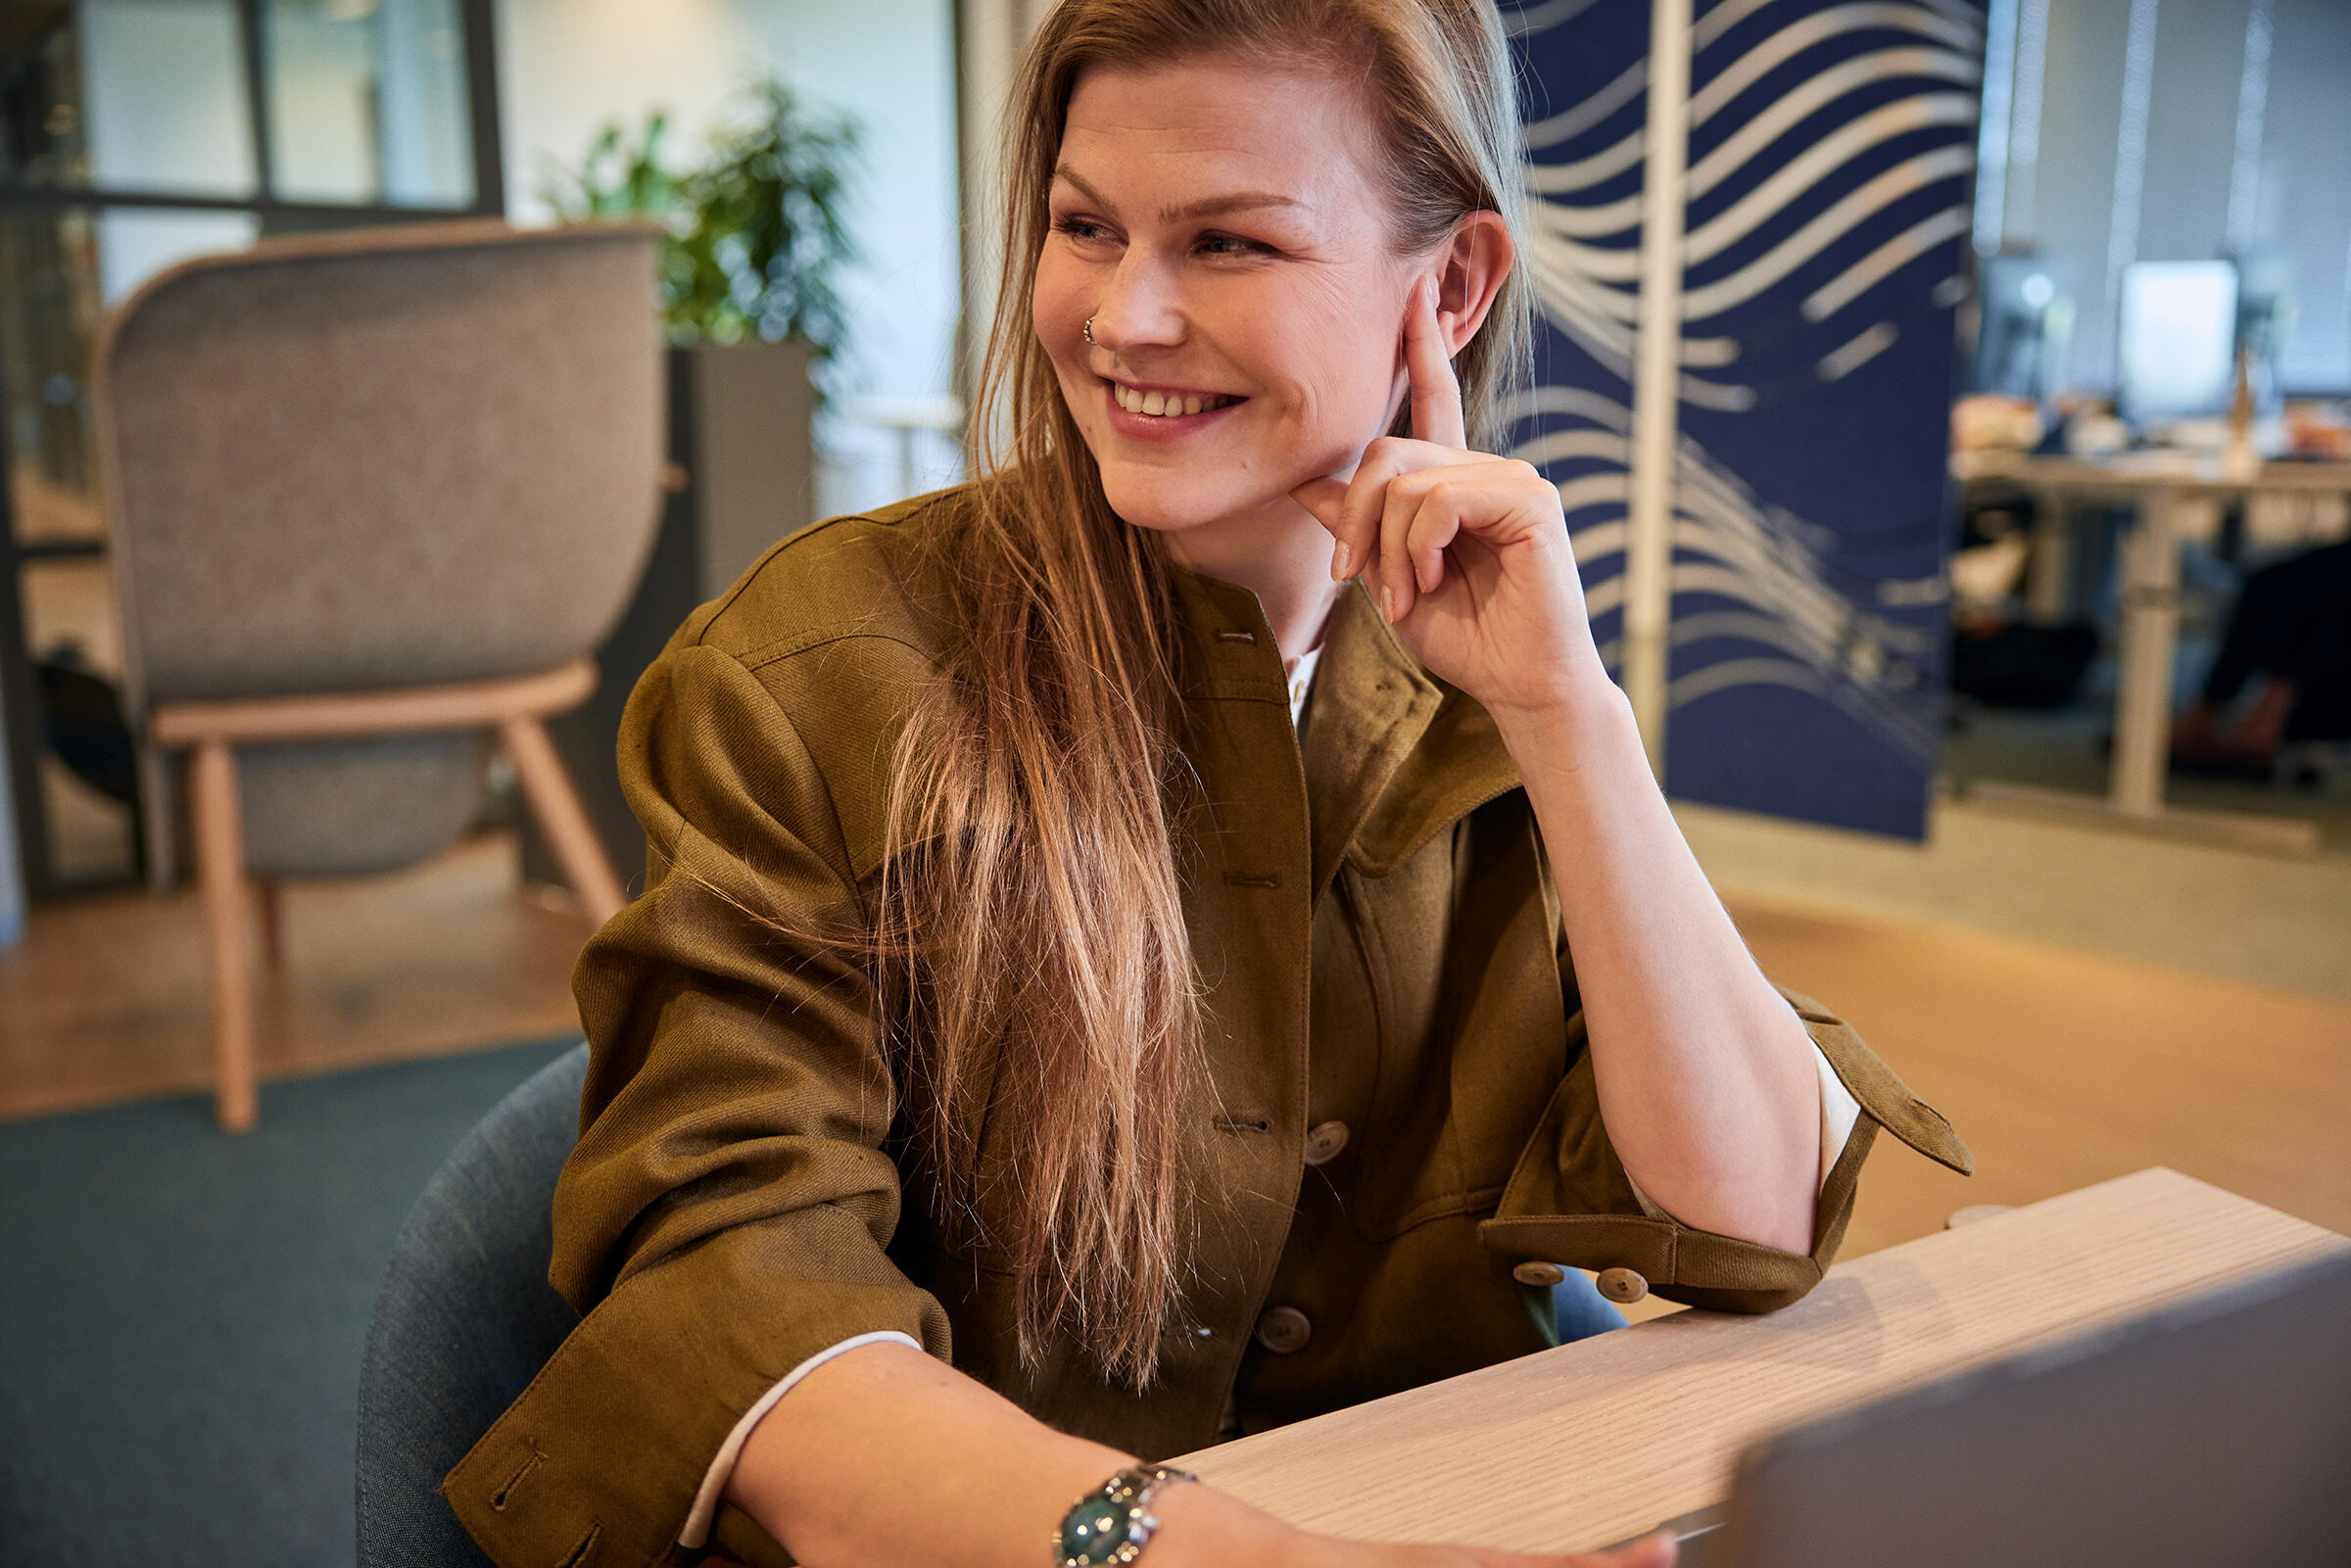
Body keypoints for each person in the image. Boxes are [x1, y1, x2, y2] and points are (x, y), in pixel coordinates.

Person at [444, 1, 1970, 1564]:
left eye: (1229, 244)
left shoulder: (1493, 692)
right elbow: (742, 1311)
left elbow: (1751, 1223)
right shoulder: (808, 675)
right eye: (1085, 227)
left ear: (1447, 285)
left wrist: (1567, 713)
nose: (1125, 318)